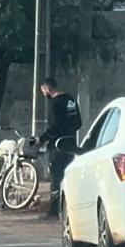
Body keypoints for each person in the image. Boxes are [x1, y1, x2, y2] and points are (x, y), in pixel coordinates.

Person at [36, 78, 82, 218]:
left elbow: (54, 127)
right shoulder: (70, 100)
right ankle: (71, 209)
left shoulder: (54, 103)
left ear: (48, 89)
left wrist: (41, 139)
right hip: (71, 144)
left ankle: (53, 211)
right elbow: (78, 123)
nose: (44, 94)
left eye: (43, 91)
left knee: (56, 176)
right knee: (69, 176)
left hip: (58, 145)